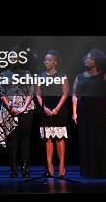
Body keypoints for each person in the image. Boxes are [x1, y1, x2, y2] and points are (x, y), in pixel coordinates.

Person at [72, 49, 106, 178]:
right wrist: (74, 112)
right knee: (87, 140)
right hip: (85, 111)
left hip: (102, 111)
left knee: (102, 139)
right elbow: (74, 95)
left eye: (91, 58)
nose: (87, 60)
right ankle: (89, 170)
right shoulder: (79, 76)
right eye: (86, 58)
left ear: (98, 61)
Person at [0, 46, 34, 178]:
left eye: (15, 56)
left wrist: (23, 108)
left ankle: (25, 168)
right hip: (9, 109)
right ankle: (13, 169)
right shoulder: (3, 74)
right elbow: (1, 93)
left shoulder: (27, 73)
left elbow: (31, 91)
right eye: (10, 56)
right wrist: (11, 107)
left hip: (26, 108)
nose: (13, 58)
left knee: (25, 139)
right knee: (13, 140)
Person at [35, 50, 69, 178]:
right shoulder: (40, 76)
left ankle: (61, 164)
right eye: (45, 60)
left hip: (59, 110)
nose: (46, 62)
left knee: (59, 138)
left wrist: (57, 108)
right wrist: (44, 108)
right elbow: (37, 93)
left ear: (55, 62)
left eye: (49, 60)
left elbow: (65, 93)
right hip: (45, 110)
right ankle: (49, 165)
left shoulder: (62, 75)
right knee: (48, 138)